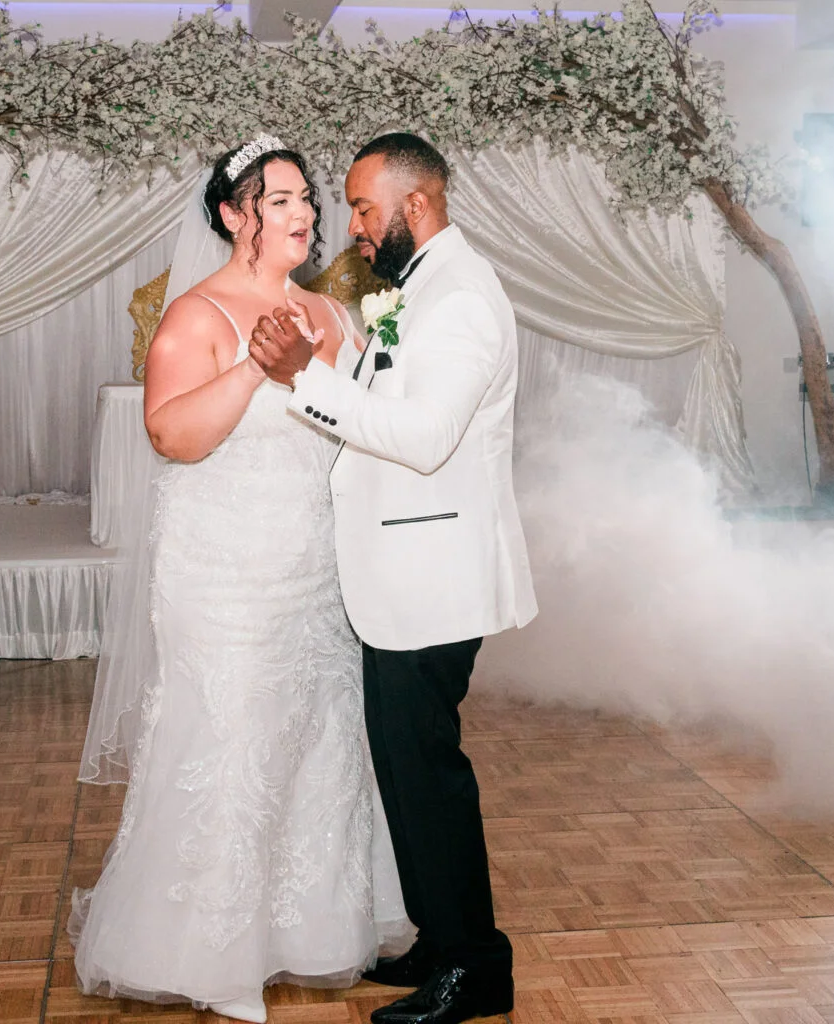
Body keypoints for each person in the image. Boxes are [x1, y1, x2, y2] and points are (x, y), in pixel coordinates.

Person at [67, 136, 407, 1023]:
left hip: (317, 574)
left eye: (305, 200)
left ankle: (310, 934)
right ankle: (208, 952)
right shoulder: (197, 317)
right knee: (232, 742)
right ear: (231, 215)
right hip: (223, 574)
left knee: (321, 740)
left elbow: (359, 433)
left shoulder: (332, 317)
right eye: (280, 199)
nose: (302, 214)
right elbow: (171, 436)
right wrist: (256, 367)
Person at [250, 133, 537, 1024]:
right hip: (406, 570)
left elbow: (421, 438)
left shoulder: (462, 301)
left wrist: (306, 379)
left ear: (417, 205)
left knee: (428, 772)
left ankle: (476, 968)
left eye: (365, 209)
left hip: (433, 575)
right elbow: (390, 406)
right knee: (405, 768)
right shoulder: (417, 290)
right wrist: (330, 371)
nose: (355, 227)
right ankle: (440, 941)